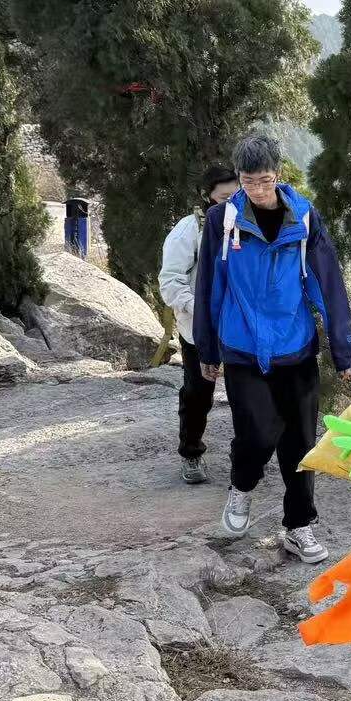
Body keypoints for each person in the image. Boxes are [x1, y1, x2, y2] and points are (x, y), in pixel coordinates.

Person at [193, 134, 351, 563]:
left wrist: (342, 348)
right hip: (243, 347)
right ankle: (241, 488)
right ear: (239, 179)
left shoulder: (303, 218)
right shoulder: (221, 220)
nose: (257, 190)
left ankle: (298, 526)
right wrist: (207, 351)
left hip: (295, 345)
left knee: (302, 442)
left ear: (278, 176)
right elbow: (211, 284)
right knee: (258, 430)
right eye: (248, 182)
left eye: (264, 181)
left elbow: (327, 281)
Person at [159, 165, 239, 485]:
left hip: (239, 329)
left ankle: (243, 460)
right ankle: (191, 453)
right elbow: (170, 282)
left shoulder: (248, 224)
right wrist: (199, 309)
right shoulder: (189, 230)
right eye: (224, 198)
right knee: (198, 392)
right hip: (199, 329)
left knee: (246, 394)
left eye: (237, 196)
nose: (231, 203)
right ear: (208, 198)